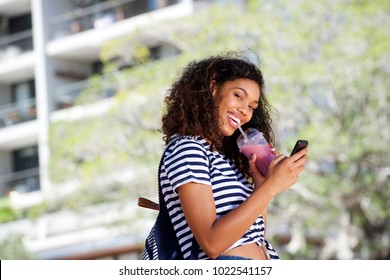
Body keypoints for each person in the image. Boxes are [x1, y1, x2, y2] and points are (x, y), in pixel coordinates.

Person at [155, 53, 308, 260]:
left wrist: (261, 185)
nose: (245, 110)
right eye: (238, 96)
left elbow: (250, 236)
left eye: (252, 106)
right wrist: (271, 187)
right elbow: (212, 243)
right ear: (212, 88)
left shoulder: (221, 159)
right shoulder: (187, 149)